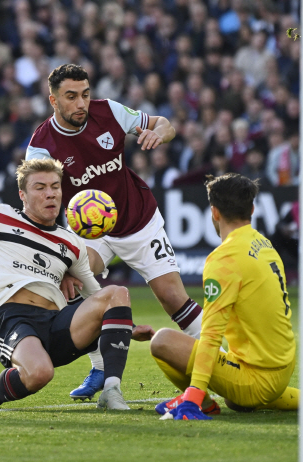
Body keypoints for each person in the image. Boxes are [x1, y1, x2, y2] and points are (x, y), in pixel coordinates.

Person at [0, 158, 154, 410]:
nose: (50, 194)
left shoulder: (71, 242)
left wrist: (129, 327)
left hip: (58, 323)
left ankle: (111, 390)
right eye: (40, 187)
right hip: (14, 319)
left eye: (55, 187)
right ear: (22, 194)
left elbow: (94, 292)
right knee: (39, 374)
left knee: (117, 291)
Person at [26, 63, 204, 400]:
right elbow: (37, 197)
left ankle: (218, 352)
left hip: (139, 219)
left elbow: (165, 125)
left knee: (172, 298)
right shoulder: (41, 146)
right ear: (53, 100)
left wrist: (157, 133)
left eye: (85, 94)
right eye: (71, 97)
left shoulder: (109, 112)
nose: (81, 103)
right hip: (91, 231)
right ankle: (99, 367)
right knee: (74, 282)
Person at [149, 173, 303, 420]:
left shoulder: (224, 259)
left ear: (214, 213)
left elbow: (211, 334)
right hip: (282, 366)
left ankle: (202, 403)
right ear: (251, 208)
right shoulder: (264, 244)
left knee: (161, 341)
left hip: (255, 379)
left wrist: (194, 394)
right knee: (237, 402)